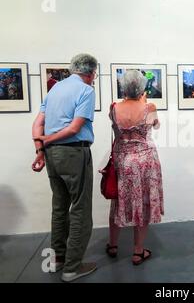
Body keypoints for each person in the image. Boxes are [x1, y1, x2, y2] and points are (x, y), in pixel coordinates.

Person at [31, 53, 98, 282]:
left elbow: (37, 123)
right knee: (80, 209)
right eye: (94, 75)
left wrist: (41, 149)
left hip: (51, 156)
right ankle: (72, 268)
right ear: (91, 73)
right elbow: (74, 128)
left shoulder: (55, 88)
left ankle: (57, 259)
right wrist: (47, 140)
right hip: (73, 153)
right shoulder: (86, 90)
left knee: (59, 206)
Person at [106, 70, 164, 265]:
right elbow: (155, 126)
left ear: (123, 87)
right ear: (142, 88)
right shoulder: (149, 107)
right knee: (143, 202)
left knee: (118, 201)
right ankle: (138, 251)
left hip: (123, 160)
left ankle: (113, 245)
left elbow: (115, 125)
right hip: (145, 160)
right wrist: (143, 103)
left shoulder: (114, 108)